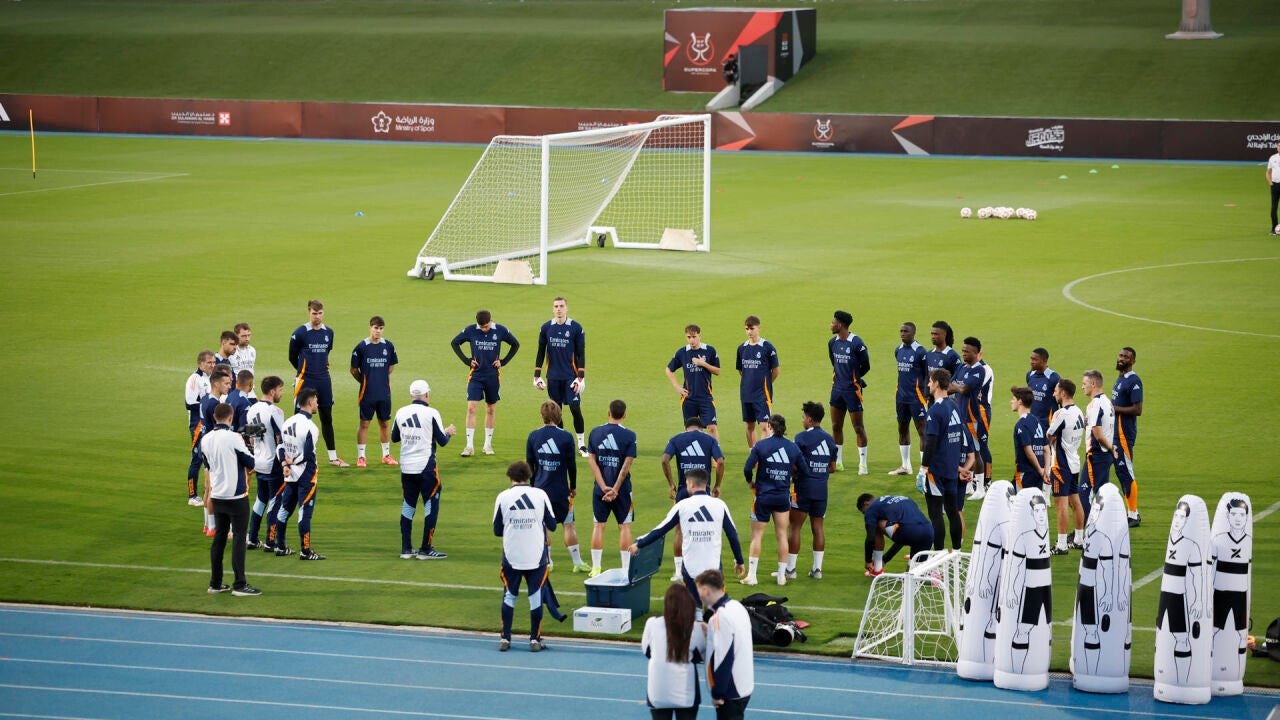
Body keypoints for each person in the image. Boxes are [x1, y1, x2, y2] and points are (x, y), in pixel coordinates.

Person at [632, 468, 745, 616]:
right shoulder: (720, 505)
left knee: (694, 608)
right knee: (717, 608)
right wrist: (739, 560)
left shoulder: (682, 506)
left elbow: (660, 530)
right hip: (713, 568)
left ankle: (696, 623)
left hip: (691, 568)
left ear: (691, 484)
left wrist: (639, 544)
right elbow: (732, 535)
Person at [493, 461, 557, 652]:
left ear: (510, 477)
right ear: (529, 476)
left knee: (509, 596)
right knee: (535, 597)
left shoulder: (503, 497)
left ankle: (505, 638)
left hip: (512, 555)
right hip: (536, 556)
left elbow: (497, 530)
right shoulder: (540, 495)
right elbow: (553, 525)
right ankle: (534, 640)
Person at [199, 402, 261, 597]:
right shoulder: (234, 438)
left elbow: (207, 465)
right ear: (231, 418)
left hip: (217, 495)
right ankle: (240, 584)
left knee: (219, 538)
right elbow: (251, 462)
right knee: (239, 538)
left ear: (215, 417)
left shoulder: (206, 439)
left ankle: (215, 583)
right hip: (236, 496)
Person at [392, 380, 456, 559]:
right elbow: (442, 441)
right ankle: (426, 548)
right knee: (430, 505)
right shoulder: (432, 413)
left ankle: (406, 549)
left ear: (411, 394)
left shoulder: (401, 412)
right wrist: (448, 432)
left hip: (406, 467)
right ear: (427, 394)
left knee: (408, 506)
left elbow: (395, 437)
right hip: (426, 468)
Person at [526, 400, 589, 572]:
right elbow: (571, 465)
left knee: (543, 526)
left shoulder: (533, 436)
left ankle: (548, 561)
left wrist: (532, 486)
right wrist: (573, 486)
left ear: (542, 416)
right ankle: (577, 562)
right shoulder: (566, 437)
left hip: (540, 491)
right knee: (569, 525)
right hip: (561, 491)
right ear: (559, 415)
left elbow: (530, 464)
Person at [661, 416, 725, 581]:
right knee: (705, 529)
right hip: (703, 491)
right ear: (701, 428)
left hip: (684, 489)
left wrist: (671, 484)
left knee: (679, 531)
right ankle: (705, 568)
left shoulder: (676, 439)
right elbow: (720, 462)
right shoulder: (710, 440)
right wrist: (717, 485)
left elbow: (664, 460)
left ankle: (678, 571)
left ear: (686, 427)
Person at [921, 368, 976, 552]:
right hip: (951, 470)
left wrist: (923, 468)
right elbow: (957, 440)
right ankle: (956, 553)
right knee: (953, 512)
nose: (929, 384)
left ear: (937, 383)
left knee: (936, 514)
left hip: (936, 471)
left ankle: (938, 556)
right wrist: (958, 468)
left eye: (930, 381)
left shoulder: (934, 411)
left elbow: (931, 443)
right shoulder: (954, 406)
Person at [451, 309, 520, 456]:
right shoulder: (471, 330)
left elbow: (515, 344)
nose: (484, 329)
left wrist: (503, 362)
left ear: (491, 321)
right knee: (471, 408)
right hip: (475, 376)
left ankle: (487, 445)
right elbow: (455, 342)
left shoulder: (500, 330)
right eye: (481, 327)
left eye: (486, 326)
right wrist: (467, 360)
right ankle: (469, 446)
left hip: (493, 376)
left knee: (490, 409)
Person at [741, 415, 799, 586]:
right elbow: (802, 469)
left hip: (763, 496)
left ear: (770, 427)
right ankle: (781, 576)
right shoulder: (792, 447)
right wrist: (790, 479)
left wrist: (750, 482)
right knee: (782, 535)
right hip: (782, 497)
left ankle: (752, 576)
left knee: (757, 535)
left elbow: (747, 468)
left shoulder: (761, 445)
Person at [289, 300, 347, 467]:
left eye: (320, 313)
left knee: (327, 417)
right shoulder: (300, 333)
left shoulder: (329, 332)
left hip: (324, 380)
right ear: (309, 312)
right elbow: (292, 357)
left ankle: (333, 458)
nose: (317, 316)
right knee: (299, 417)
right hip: (305, 380)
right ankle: (295, 456)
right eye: (314, 313)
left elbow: (326, 352)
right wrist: (303, 372)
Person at [273, 387, 327, 560]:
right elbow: (307, 454)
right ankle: (305, 551)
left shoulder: (287, 422)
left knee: (284, 510)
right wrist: (293, 462)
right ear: (310, 402)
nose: (317, 404)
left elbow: (280, 447)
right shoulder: (311, 427)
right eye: (316, 401)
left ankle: (280, 546)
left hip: (290, 474)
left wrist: (284, 464)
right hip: (306, 476)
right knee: (304, 513)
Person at [587, 399, 638, 577]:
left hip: (600, 490)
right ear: (624, 415)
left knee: (598, 526)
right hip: (622, 490)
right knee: (624, 527)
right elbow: (627, 464)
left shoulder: (595, 432)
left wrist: (603, 486)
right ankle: (625, 569)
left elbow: (591, 461)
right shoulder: (630, 435)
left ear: (608, 413)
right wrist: (615, 489)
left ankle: (596, 568)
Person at [642, 584, 707, 720]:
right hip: (686, 694)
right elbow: (701, 656)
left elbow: (647, 652)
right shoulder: (695, 628)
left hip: (658, 693)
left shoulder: (652, 624)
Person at [533, 296, 588, 457]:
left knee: (575, 409)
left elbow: (581, 353)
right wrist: (536, 375)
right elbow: (540, 351)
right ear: (552, 309)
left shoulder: (576, 328)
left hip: (571, 377)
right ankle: (563, 443)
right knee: (556, 412)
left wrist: (581, 377)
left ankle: (582, 445)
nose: (559, 309)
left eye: (561, 306)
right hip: (553, 377)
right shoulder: (546, 327)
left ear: (567, 308)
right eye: (556, 306)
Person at [696, 569, 753, 719]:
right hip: (744, 684)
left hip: (730, 691)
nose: (698, 596)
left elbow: (724, 658)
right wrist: (711, 631)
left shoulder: (720, 617)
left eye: (699, 591)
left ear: (706, 591)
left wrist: (717, 693)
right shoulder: (736, 606)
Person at [789, 402, 836, 579]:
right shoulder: (829, 439)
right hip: (821, 490)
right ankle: (817, 570)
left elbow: (794, 464)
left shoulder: (801, 438)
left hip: (803, 489)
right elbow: (832, 467)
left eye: (803, 417)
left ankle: (791, 570)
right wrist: (819, 469)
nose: (802, 420)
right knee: (818, 528)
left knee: (795, 527)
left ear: (809, 419)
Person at [351, 315, 399, 468]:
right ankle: (361, 457)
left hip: (384, 393)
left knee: (384, 423)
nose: (378, 331)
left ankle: (386, 455)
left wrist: (380, 378)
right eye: (376, 328)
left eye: (381, 328)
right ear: (370, 328)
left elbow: (391, 366)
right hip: (367, 393)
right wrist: (365, 381)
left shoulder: (388, 346)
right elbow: (353, 370)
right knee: (364, 423)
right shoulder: (361, 347)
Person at [1045, 379, 1086, 555]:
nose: (1053, 394)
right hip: (1074, 461)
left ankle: (1061, 545)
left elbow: (1049, 435)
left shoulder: (1061, 413)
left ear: (1063, 393)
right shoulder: (1078, 411)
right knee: (1075, 502)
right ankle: (1079, 539)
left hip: (1061, 465)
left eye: (1055, 391)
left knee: (1061, 505)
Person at [949, 337, 994, 499]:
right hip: (960, 415)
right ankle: (968, 485)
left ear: (976, 353)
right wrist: (957, 387)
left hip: (971, 417)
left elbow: (964, 389)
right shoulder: (961, 367)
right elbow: (950, 386)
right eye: (963, 351)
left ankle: (980, 488)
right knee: (965, 451)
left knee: (976, 452)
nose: (964, 354)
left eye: (967, 352)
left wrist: (957, 387)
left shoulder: (979, 370)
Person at [245, 376, 285, 551]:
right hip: (273, 463)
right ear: (272, 391)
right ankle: (270, 541)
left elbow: (251, 439)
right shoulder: (275, 411)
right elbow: (280, 438)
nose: (282, 393)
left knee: (260, 500)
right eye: (280, 390)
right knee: (275, 501)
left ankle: (252, 538)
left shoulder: (252, 409)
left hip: (259, 461)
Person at [828, 310, 870, 474]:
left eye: (833, 322)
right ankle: (838, 461)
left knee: (858, 428)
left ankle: (863, 464)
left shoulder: (857, 343)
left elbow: (866, 365)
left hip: (853, 391)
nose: (831, 325)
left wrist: (855, 379)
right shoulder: (832, 342)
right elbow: (834, 362)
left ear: (840, 325)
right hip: (837, 389)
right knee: (835, 426)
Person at [665, 324, 721, 441]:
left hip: (706, 397)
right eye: (688, 337)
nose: (691, 340)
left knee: (712, 427)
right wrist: (677, 387)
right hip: (688, 398)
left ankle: (716, 452)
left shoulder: (710, 350)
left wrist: (703, 364)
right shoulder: (682, 352)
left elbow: (717, 371)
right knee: (691, 430)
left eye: (694, 337)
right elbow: (668, 370)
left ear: (700, 336)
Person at [858, 493, 934, 575]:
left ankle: (877, 569)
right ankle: (934, 574)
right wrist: (885, 559)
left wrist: (868, 561)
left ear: (866, 504)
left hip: (910, 532)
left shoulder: (871, 509)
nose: (865, 515)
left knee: (875, 524)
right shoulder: (902, 498)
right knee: (910, 576)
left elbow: (870, 538)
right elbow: (902, 539)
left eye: (864, 512)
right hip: (929, 532)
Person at [198, 367, 234, 536]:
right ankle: (214, 527)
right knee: (214, 489)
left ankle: (208, 525)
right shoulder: (214, 405)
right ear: (216, 384)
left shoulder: (205, 399)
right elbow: (218, 430)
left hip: (205, 447)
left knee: (208, 488)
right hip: (213, 450)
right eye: (226, 383)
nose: (229, 386)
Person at [890, 322, 928, 476]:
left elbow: (927, 374)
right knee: (902, 429)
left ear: (913, 333)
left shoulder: (920, 351)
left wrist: (926, 395)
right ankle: (906, 466)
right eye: (901, 331)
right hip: (901, 397)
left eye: (906, 331)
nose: (902, 333)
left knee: (922, 431)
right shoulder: (898, 350)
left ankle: (924, 469)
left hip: (917, 397)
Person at [735, 315, 779, 448]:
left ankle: (763, 454)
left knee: (765, 426)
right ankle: (753, 453)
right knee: (749, 426)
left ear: (759, 328)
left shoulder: (767, 347)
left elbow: (775, 370)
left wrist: (766, 384)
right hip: (746, 394)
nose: (749, 332)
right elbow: (741, 370)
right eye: (746, 329)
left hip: (762, 394)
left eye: (751, 329)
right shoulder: (742, 348)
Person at [1112, 347, 1143, 527]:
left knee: (1126, 471)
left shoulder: (1134, 380)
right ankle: (1131, 512)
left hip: (1124, 434)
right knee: (1120, 471)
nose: (1121, 358)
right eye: (1120, 355)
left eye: (1126, 357)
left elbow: (1138, 409)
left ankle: (1133, 514)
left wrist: (1115, 409)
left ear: (1133, 361)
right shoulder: (1121, 378)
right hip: (1115, 432)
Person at [1082, 369, 1117, 522]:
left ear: (1093, 383)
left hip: (1096, 455)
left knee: (1084, 494)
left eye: (1084, 383)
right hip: (1105, 455)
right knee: (1103, 494)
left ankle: (1084, 532)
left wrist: (1111, 448)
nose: (1082, 387)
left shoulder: (1096, 404)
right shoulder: (1107, 402)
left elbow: (1098, 434)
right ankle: (1106, 528)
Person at [184, 350, 216, 505]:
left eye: (214, 362)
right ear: (200, 363)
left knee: (211, 456)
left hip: (209, 421)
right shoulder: (194, 379)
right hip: (197, 423)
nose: (212, 365)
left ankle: (210, 489)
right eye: (209, 362)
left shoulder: (212, 378)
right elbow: (189, 404)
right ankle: (192, 496)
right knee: (197, 458)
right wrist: (209, 405)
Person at [1010, 386, 1049, 490]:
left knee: (1018, 498)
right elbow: (1046, 449)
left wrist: (1040, 470)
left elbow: (1028, 451)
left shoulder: (1021, 424)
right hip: (1038, 473)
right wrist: (1045, 470)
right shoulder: (1037, 421)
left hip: (1025, 473)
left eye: (1013, 399)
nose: (1011, 401)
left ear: (1020, 401)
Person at [1025, 348, 1061, 423]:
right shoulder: (1030, 375)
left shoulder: (1054, 378)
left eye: (1035, 359)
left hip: (1048, 424)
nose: (1031, 362)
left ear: (1044, 361)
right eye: (1031, 359)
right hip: (1033, 423)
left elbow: (1062, 401)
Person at [230, 322, 256, 397]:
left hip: (250, 391)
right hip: (236, 390)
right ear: (235, 336)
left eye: (248, 335)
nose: (247, 338)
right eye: (244, 336)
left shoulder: (252, 350)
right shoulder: (231, 352)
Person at [1268, 140, 1280, 235]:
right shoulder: (1272, 158)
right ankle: (1274, 228)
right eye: (1279, 146)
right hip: (1275, 185)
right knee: (1274, 207)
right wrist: (1270, 183)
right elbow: (1268, 172)